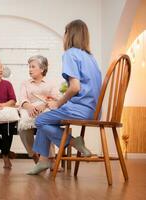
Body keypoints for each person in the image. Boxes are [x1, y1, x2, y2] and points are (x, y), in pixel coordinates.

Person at [27, 19, 102, 175]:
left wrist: (58, 103)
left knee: (40, 120)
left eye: (65, 32)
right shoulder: (91, 58)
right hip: (94, 110)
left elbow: (75, 87)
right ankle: (43, 161)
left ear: (70, 34)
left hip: (81, 109)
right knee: (47, 120)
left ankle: (74, 142)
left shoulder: (70, 54)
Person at [19, 55, 59, 164]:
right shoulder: (25, 83)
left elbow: (56, 100)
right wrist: (29, 107)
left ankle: (51, 159)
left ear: (42, 69)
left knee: (47, 125)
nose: (30, 69)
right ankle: (34, 156)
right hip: (29, 110)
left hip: (44, 110)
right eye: (29, 67)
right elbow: (22, 99)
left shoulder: (51, 84)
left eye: (33, 67)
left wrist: (44, 105)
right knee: (22, 128)